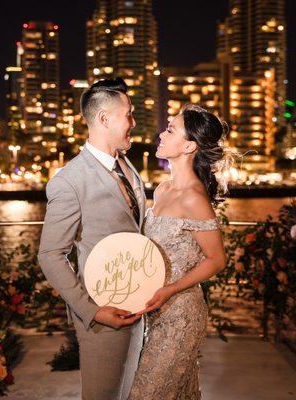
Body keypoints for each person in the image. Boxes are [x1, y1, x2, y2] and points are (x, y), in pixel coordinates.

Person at [38, 78, 146, 400]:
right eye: (128, 114)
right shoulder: (69, 181)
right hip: (103, 316)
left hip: (139, 308)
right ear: (103, 118)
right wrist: (93, 311)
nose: (133, 122)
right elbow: (50, 255)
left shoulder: (127, 167)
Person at [129, 104, 228, 399]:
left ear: (188, 146)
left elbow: (217, 259)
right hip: (152, 310)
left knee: (145, 394)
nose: (162, 133)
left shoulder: (194, 198)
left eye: (170, 129)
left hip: (180, 315)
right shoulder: (162, 189)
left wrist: (170, 290)